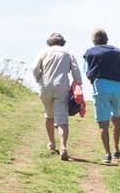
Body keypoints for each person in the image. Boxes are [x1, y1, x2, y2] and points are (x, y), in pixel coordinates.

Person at [31, 32, 87, 160]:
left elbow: (34, 68)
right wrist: (77, 83)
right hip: (62, 87)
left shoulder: (43, 52)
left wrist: (38, 78)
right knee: (62, 119)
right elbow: (76, 71)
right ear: (63, 42)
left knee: (49, 115)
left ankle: (51, 143)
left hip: (45, 85)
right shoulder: (68, 53)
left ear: (49, 42)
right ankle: (63, 147)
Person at [82, 28, 120, 163]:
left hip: (102, 86)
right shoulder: (117, 51)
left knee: (103, 123)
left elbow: (87, 72)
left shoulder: (90, 52)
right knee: (116, 119)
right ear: (107, 40)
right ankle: (116, 149)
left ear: (94, 41)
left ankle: (107, 154)